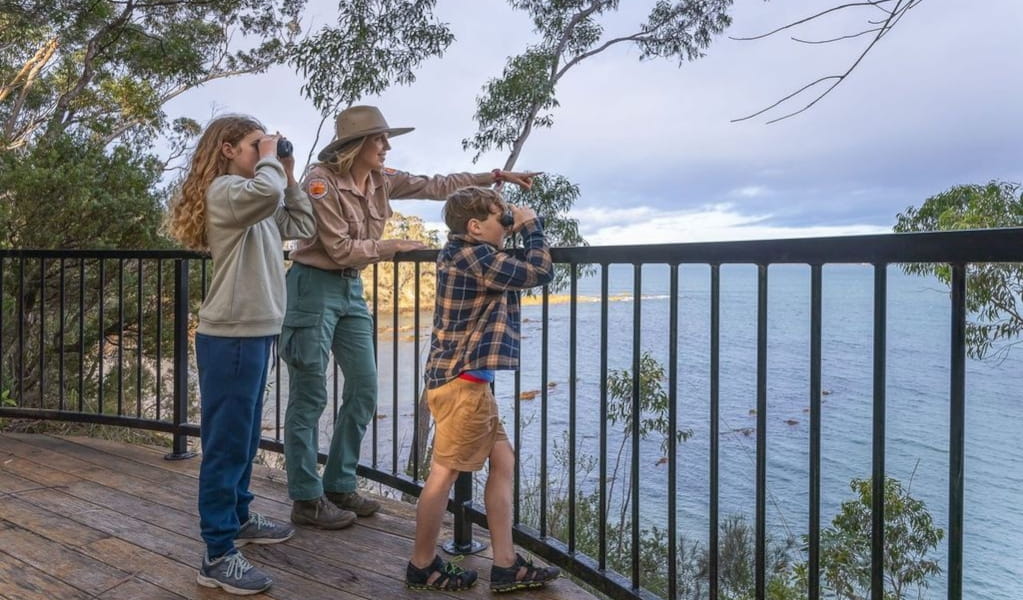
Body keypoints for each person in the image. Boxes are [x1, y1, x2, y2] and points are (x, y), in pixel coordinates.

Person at [280, 105, 539, 528]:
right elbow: (341, 248)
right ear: (357, 145)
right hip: (313, 287)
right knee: (310, 395)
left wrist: (494, 177)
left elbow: (437, 185)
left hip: (350, 289)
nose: (386, 146)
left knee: (364, 389)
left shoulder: (380, 179)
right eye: (379, 139)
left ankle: (339, 483)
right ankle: (306, 498)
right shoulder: (320, 182)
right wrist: (393, 246)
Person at [166, 114, 316, 595]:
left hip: (255, 330)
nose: (265, 150)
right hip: (230, 334)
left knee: (246, 437)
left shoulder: (258, 197)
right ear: (228, 150)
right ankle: (216, 553)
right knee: (227, 446)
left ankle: (240, 517)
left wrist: (287, 172)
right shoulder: (227, 192)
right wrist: (273, 162)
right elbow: (267, 195)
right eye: (256, 144)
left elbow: (302, 222)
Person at [405, 186, 560, 593]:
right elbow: (540, 271)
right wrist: (532, 228)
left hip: (466, 383)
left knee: (503, 461)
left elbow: (513, 269)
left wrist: (513, 225)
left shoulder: (463, 252)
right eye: (501, 219)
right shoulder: (476, 257)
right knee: (444, 474)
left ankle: (505, 563)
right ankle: (421, 565)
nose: (507, 226)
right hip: (464, 384)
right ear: (475, 227)